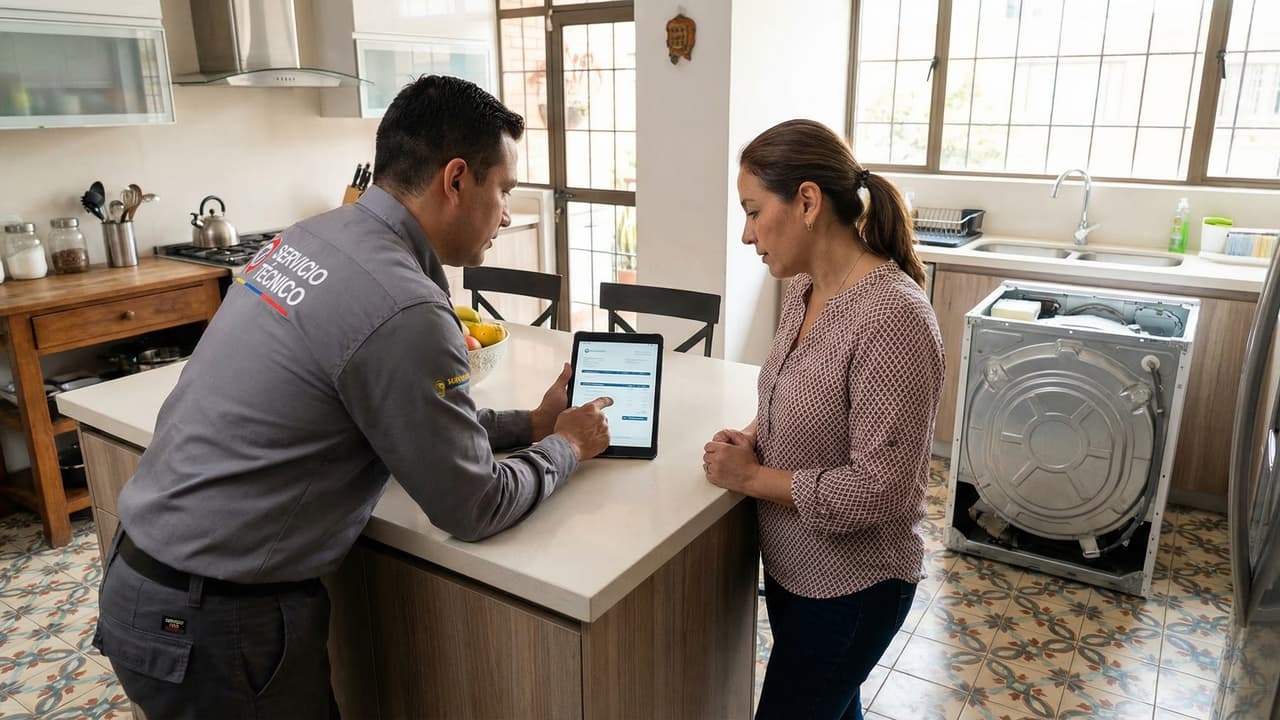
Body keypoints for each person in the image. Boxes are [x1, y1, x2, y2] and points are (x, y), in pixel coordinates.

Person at [93, 75, 612, 719]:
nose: (507, 214)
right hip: (219, 622)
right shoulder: (405, 308)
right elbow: (473, 506)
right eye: (503, 189)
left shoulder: (311, 237)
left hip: (145, 581)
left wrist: (529, 423)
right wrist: (565, 446)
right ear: (456, 180)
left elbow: (393, 412)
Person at [702, 119, 945, 720]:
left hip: (854, 587)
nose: (745, 233)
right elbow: (792, 392)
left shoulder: (893, 318)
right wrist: (755, 436)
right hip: (796, 570)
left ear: (807, 202)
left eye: (755, 212)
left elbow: (882, 488)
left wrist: (752, 478)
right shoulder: (805, 288)